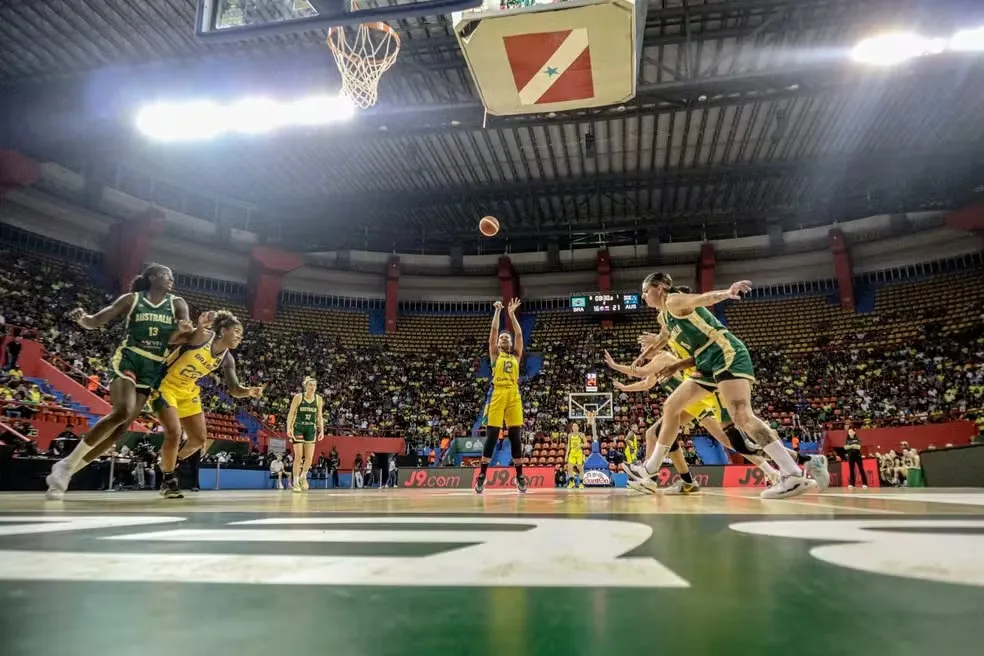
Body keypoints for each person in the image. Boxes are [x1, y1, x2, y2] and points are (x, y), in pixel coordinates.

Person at [629, 272, 815, 499]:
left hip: (725, 352)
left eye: (645, 290)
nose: (643, 295)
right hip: (705, 362)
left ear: (658, 288)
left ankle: (792, 473)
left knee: (741, 416)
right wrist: (643, 356)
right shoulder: (664, 316)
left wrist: (727, 293)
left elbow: (702, 299)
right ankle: (650, 469)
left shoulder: (673, 300)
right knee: (671, 407)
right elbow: (663, 338)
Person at [45, 264, 190, 500]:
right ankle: (67, 465)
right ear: (152, 277)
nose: (171, 279)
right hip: (129, 359)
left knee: (119, 431)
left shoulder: (177, 303)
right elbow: (96, 320)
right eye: (166, 275)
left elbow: (184, 327)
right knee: (122, 411)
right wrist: (83, 319)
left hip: (153, 367)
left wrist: (184, 327)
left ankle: (67, 470)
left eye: (173, 276)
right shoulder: (132, 299)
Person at [608, 348, 830, 494]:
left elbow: (641, 372)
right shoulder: (657, 366)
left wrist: (616, 366)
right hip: (690, 404)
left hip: (700, 403)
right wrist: (624, 388)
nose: (642, 350)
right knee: (661, 433)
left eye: (645, 346)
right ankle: (674, 480)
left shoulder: (662, 357)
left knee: (734, 443)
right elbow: (645, 383)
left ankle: (651, 478)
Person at [152, 310, 264, 499]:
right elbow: (169, 340)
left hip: (188, 391)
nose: (240, 336)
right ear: (223, 330)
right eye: (236, 331)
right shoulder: (202, 335)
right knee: (174, 432)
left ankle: (169, 462)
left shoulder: (227, 358)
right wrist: (188, 328)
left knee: (198, 439)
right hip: (165, 385)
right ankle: (169, 479)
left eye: (241, 334)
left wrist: (249, 391)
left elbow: (235, 389)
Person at [475, 298, 527, 494]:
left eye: (507, 338)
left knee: (515, 437)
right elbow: (493, 333)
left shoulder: (515, 355)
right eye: (501, 339)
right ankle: (482, 476)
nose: (504, 339)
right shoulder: (495, 355)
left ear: (511, 343)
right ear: (497, 344)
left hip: (513, 394)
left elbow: (520, 334)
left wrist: (512, 314)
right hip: (497, 393)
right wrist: (498, 311)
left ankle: (520, 476)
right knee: (492, 437)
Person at [286, 376, 324, 493]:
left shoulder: (318, 399)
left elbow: (319, 416)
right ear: (306, 386)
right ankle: (295, 482)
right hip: (298, 427)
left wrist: (321, 430)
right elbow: (291, 413)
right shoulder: (298, 397)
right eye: (310, 385)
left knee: (309, 457)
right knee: (298, 456)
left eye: (314, 385)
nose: (313, 387)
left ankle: (303, 477)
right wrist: (288, 428)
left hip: (310, 428)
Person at [564, 421, 586, 489]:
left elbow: (586, 444)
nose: (575, 427)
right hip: (572, 452)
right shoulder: (570, 435)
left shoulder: (581, 434)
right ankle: (571, 482)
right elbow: (568, 446)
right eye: (573, 426)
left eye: (576, 426)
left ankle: (581, 483)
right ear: (572, 428)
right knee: (569, 468)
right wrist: (566, 455)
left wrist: (580, 445)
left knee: (580, 469)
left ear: (578, 427)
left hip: (579, 453)